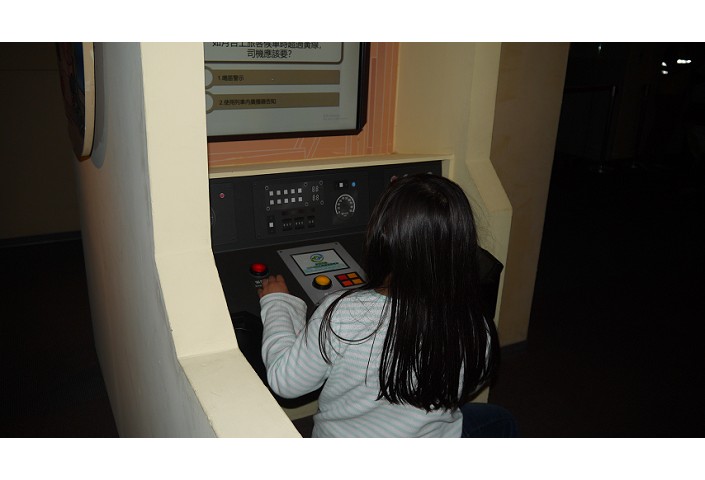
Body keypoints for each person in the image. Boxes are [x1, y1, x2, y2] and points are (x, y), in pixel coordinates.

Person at [258, 173, 517, 437]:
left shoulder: (343, 314)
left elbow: (285, 381)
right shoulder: (476, 327)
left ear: (382, 237)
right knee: (502, 419)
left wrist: (278, 302)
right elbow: (472, 380)